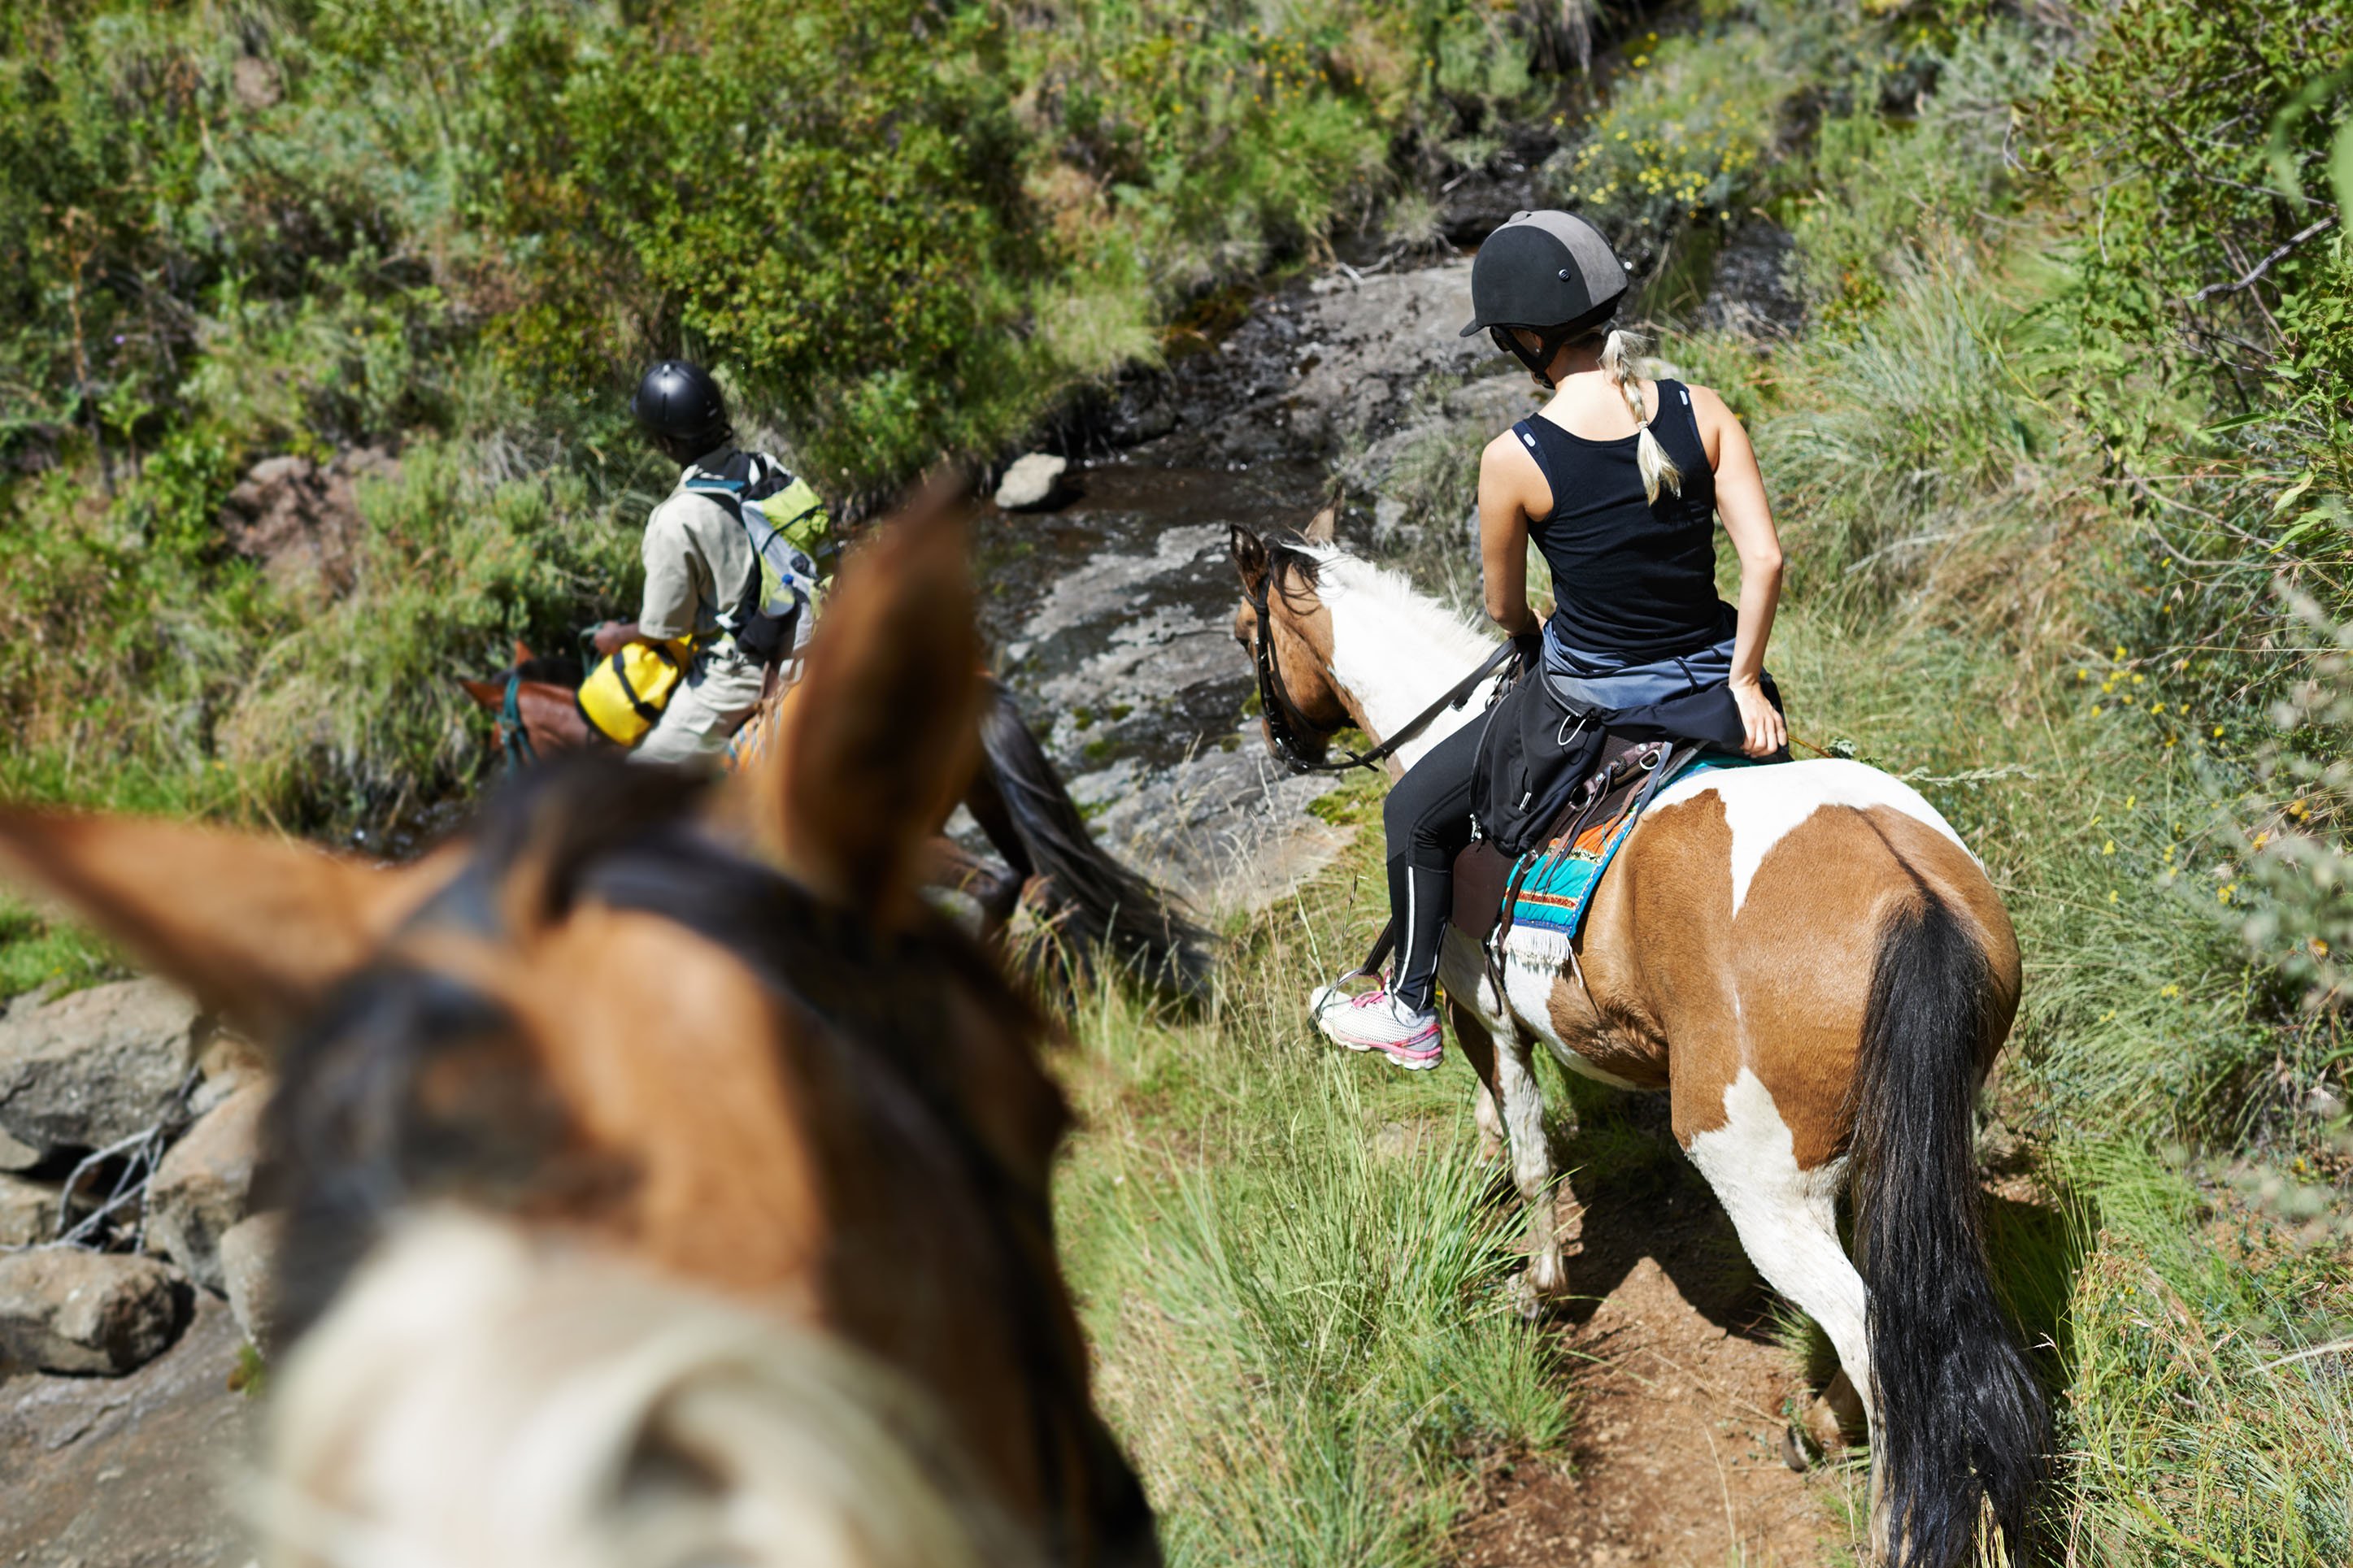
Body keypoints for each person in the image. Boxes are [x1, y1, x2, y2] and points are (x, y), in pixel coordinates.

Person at [1311, 210, 1788, 1069]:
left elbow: (1503, 610)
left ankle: (1411, 1004)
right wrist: (1746, 683)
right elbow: (1765, 560)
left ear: (1525, 340)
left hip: (1591, 702)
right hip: (1714, 687)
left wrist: (1533, 633)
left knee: (1411, 811)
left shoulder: (1513, 457)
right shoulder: (1701, 409)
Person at [592, 359, 820, 766]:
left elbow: (667, 627)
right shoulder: (766, 466)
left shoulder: (674, 519)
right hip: (814, 625)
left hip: (743, 669)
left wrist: (617, 636)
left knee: (644, 774)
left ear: (664, 444)